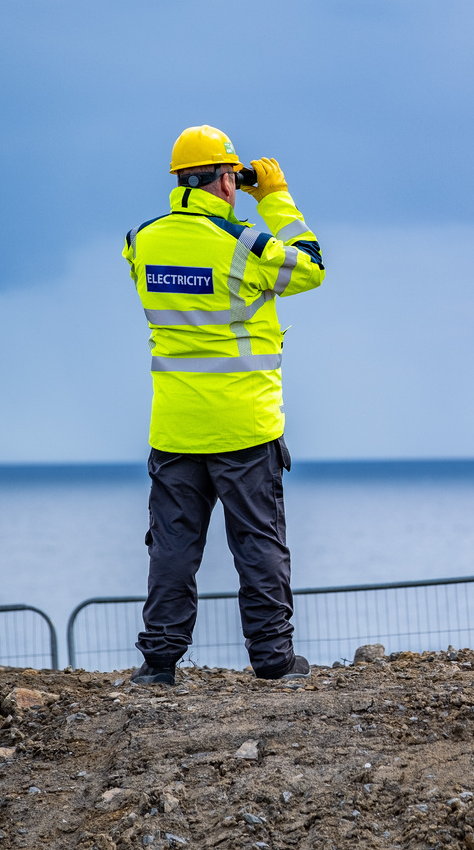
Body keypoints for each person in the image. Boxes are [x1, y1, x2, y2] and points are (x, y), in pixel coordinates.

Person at [122, 124, 325, 685]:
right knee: (258, 544)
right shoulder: (245, 246)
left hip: (175, 427)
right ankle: (274, 661)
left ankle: (158, 664)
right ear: (228, 182)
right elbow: (311, 266)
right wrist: (274, 196)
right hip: (244, 426)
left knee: (172, 548)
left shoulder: (142, 241)